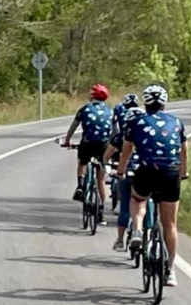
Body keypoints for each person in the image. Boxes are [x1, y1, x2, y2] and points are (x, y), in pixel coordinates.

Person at [117, 84, 188, 287]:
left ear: (145, 103)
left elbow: (126, 151)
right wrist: (183, 173)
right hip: (171, 172)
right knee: (171, 224)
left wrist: (120, 171)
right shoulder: (176, 122)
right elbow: (184, 151)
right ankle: (171, 270)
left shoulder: (136, 122)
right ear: (164, 103)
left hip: (147, 170)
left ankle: (137, 231)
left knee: (137, 198)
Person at [64, 83, 113, 225]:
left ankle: (80, 186)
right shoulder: (110, 111)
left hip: (87, 143)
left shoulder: (85, 109)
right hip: (103, 145)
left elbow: (73, 126)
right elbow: (115, 131)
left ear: (92, 96)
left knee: (82, 162)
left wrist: (67, 140)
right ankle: (101, 213)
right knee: (101, 179)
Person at [111, 106, 154, 251]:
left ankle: (120, 240)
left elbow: (108, 155)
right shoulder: (149, 134)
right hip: (146, 172)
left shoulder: (121, 136)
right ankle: (147, 233)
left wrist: (116, 170)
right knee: (146, 201)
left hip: (127, 173)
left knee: (125, 206)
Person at [103, 94, 139, 215]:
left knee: (120, 173)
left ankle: (119, 202)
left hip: (119, 141)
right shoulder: (141, 114)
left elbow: (113, 129)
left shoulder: (118, 109)